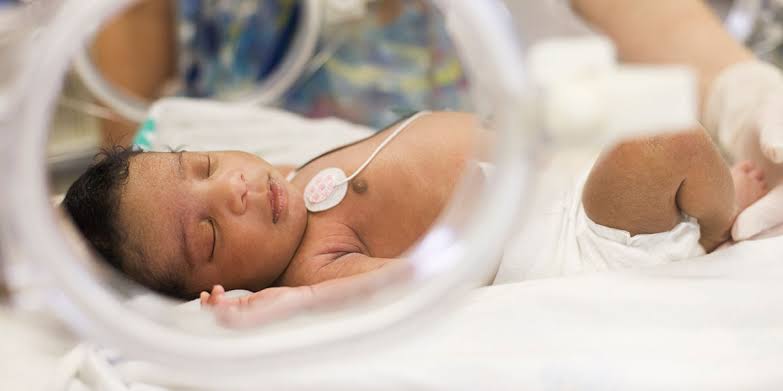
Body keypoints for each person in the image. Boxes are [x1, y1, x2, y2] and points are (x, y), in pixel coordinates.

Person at [62, 110, 767, 303]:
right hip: (568, 235)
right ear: (221, 284)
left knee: (643, 110)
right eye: (211, 232)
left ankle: (712, 181)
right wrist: (292, 307)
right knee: (662, 143)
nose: (234, 190)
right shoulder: (312, 263)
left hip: (558, 173)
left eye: (206, 166)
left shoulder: (289, 185)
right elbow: (414, 282)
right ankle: (719, 225)